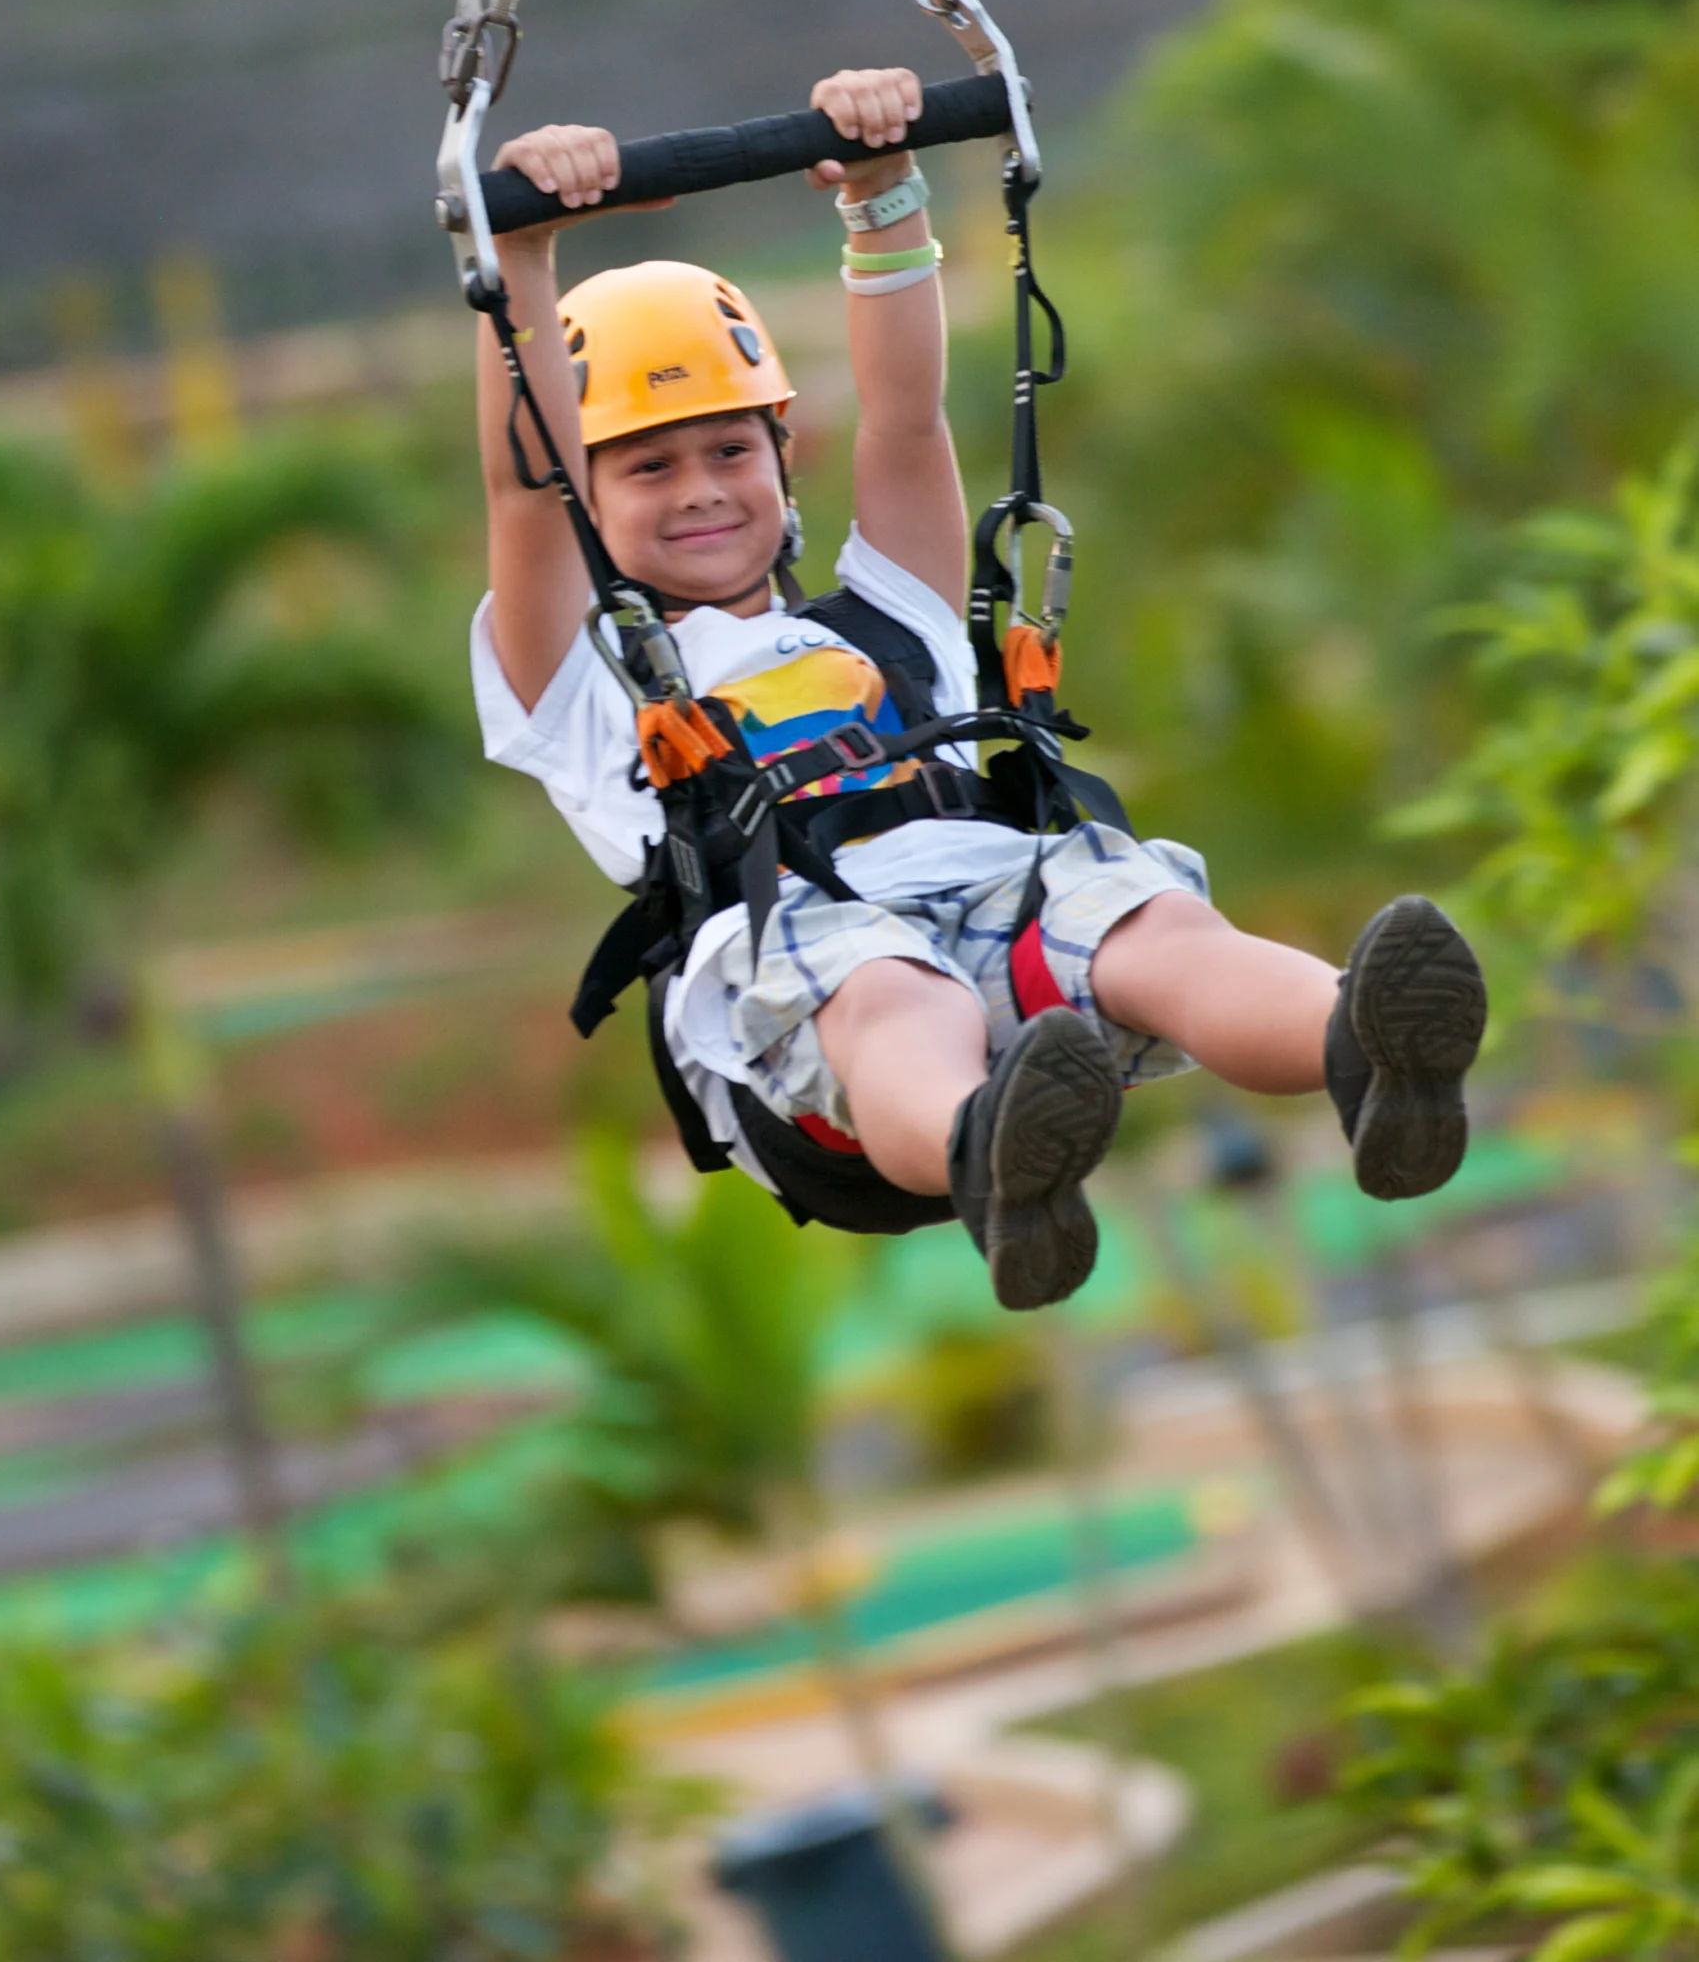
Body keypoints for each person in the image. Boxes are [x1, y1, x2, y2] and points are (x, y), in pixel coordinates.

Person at [471, 64, 1487, 1311]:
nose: (701, 489)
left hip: (998, 914)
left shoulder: (891, 621)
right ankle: (994, 1158)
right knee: (890, 989)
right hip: (808, 994)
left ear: (785, 459)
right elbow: (527, 491)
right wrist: (518, 254)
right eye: (648, 466)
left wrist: (887, 197)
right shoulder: (582, 678)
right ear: (595, 491)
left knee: (1138, 913)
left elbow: (905, 422)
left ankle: (1369, 1052)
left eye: (732, 448)